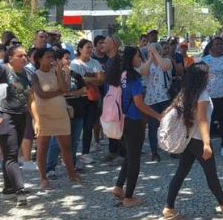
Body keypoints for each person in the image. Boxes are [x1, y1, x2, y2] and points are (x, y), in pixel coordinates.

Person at [162, 63, 223, 220]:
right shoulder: (203, 95)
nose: (211, 76)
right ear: (203, 77)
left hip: (188, 139)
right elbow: (202, 120)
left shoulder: (186, 93)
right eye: (209, 73)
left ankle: (169, 207)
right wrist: (207, 143)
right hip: (198, 139)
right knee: (210, 173)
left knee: (181, 172)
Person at [109, 46, 162, 207]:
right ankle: (129, 197)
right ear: (132, 58)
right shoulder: (133, 77)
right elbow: (139, 103)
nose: (141, 60)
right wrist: (157, 115)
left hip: (120, 120)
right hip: (133, 121)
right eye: (139, 56)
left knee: (130, 155)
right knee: (134, 161)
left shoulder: (120, 76)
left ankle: (119, 187)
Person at [0, 45, 32, 206]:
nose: (24, 58)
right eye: (20, 55)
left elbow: (30, 97)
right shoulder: (1, 69)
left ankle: (8, 189)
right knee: (12, 155)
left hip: (20, 115)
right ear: (11, 57)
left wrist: (36, 118)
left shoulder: (26, 73)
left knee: (9, 154)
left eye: (26, 55)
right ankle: (20, 190)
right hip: (3, 115)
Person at [30, 48, 80, 189]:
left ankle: (72, 174)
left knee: (66, 146)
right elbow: (41, 94)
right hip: (43, 114)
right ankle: (43, 178)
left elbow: (65, 89)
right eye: (48, 57)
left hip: (60, 114)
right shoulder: (35, 75)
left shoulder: (57, 72)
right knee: (43, 147)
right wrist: (58, 92)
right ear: (39, 59)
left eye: (52, 57)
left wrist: (59, 72)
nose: (51, 59)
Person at [46, 49, 87, 179]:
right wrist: (68, 79)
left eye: (70, 58)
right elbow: (64, 90)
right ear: (58, 60)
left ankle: (72, 165)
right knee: (56, 142)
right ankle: (50, 168)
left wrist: (71, 94)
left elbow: (84, 90)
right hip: (61, 112)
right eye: (66, 58)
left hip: (77, 111)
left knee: (74, 141)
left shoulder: (76, 74)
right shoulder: (53, 76)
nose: (69, 61)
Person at [71, 39, 104, 166]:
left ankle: (85, 152)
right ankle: (71, 154)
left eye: (91, 47)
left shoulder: (95, 62)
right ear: (80, 49)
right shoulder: (74, 64)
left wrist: (87, 79)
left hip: (93, 97)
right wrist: (93, 78)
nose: (90, 50)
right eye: (87, 47)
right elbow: (78, 81)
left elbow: (101, 80)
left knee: (89, 125)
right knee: (77, 127)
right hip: (79, 99)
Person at [140, 42, 172, 162]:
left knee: (167, 125)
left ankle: (171, 148)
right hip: (151, 99)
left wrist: (156, 55)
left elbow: (164, 67)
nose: (151, 53)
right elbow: (143, 72)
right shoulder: (146, 64)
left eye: (154, 51)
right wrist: (150, 58)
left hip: (165, 97)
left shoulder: (167, 61)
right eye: (149, 51)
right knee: (153, 127)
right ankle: (154, 151)